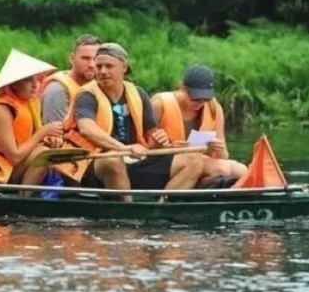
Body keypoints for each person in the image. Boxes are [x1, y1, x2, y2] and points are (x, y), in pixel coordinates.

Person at [64, 43, 205, 202]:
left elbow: (151, 135)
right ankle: (128, 210)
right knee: (112, 159)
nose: (102, 71)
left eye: (109, 66)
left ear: (124, 67)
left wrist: (161, 142)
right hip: (97, 163)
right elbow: (86, 129)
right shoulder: (87, 95)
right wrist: (123, 148)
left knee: (195, 159)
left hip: (134, 160)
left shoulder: (138, 94)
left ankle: (162, 207)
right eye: (99, 66)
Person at [0, 49, 64, 188]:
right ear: (14, 84)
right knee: (44, 154)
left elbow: (27, 141)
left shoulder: (28, 104)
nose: (35, 85)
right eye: (28, 80)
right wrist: (42, 133)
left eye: (38, 79)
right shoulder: (1, 109)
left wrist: (46, 139)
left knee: (50, 151)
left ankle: (30, 195)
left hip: (9, 169)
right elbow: (14, 157)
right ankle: (24, 200)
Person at [151, 64, 248, 185]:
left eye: (205, 98)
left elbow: (224, 155)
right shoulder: (159, 104)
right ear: (182, 87)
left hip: (200, 160)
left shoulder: (215, 109)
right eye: (195, 97)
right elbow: (144, 148)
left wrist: (219, 149)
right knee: (220, 169)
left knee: (242, 170)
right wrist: (167, 146)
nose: (200, 103)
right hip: (166, 162)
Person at [41, 34, 101, 124]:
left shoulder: (97, 87)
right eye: (85, 58)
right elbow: (56, 135)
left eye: (96, 59)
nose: (91, 65)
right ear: (72, 59)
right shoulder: (58, 90)